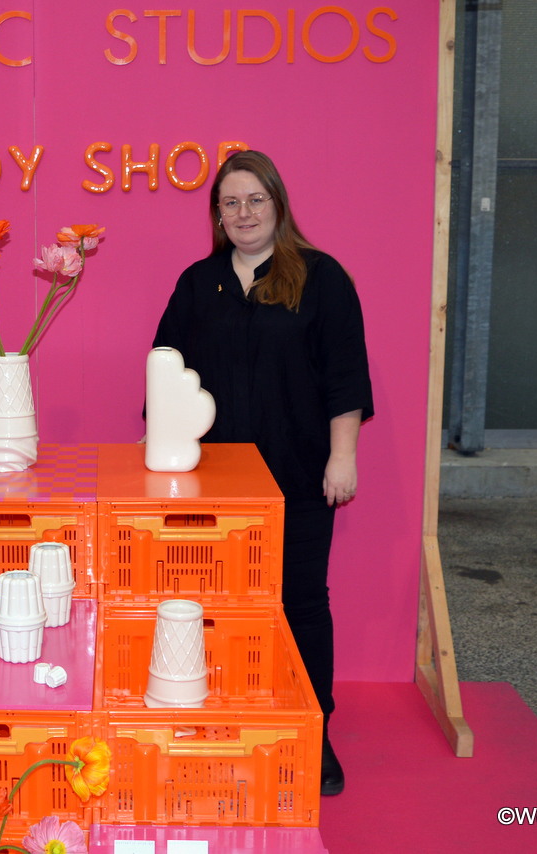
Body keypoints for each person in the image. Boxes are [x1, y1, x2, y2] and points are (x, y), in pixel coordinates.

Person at [150, 150, 373, 796]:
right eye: (230, 202)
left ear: (278, 204)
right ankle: (224, 724)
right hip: (212, 485)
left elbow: (345, 377)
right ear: (217, 214)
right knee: (215, 607)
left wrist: (343, 456)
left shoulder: (322, 279)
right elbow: (165, 368)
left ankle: (315, 733)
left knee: (301, 604)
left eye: (255, 200)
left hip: (298, 478)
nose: (244, 213)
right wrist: (158, 441)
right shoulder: (198, 283)